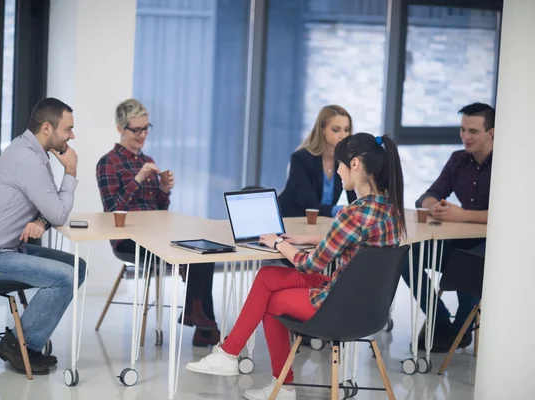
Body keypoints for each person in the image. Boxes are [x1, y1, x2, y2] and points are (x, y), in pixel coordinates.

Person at [186, 132, 406, 400]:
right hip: (370, 308)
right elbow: (353, 242)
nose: (337, 171)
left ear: (356, 164)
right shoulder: (391, 210)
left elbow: (310, 264)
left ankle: (276, 381)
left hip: (340, 305)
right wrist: (302, 238)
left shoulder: (354, 213)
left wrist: (279, 244)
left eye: (340, 164)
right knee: (268, 276)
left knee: (272, 299)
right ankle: (231, 355)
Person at [0, 98, 86, 375]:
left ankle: (28, 344)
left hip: (5, 247)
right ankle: (18, 345)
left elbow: (49, 208)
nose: (72, 136)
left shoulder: (29, 149)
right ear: (46, 128)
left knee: (78, 267)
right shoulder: (28, 160)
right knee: (66, 276)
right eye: (68, 129)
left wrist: (41, 220)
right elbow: (60, 214)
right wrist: (72, 172)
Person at [96, 98, 219, 347]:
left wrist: (164, 189)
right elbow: (112, 211)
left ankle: (198, 317)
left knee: (205, 251)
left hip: (157, 236)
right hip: (128, 240)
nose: (142, 135)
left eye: (146, 128)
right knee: (194, 257)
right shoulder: (108, 162)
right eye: (136, 130)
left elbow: (160, 211)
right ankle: (204, 325)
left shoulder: (148, 159)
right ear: (120, 128)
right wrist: (138, 179)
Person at [402, 102, 493, 353]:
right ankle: (439, 318)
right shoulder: (458, 160)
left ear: (491, 133)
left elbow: (508, 214)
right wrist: (434, 207)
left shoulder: (504, 166)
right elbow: (428, 195)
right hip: (457, 241)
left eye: (473, 131)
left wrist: (463, 215)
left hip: (489, 246)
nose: (465, 136)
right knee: (407, 256)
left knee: (468, 265)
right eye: (463, 129)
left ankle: (461, 331)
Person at [278, 105, 357, 218]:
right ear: (322, 129)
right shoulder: (301, 159)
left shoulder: (345, 161)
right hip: (291, 220)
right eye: (336, 130)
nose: (343, 136)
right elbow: (310, 205)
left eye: (347, 129)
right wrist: (343, 209)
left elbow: (354, 198)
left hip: (320, 223)